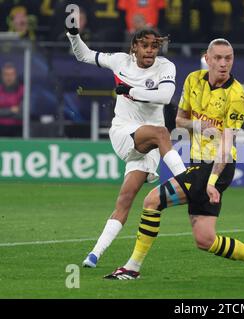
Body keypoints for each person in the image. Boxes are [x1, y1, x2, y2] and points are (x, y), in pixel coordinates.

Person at [104, 38, 244, 281]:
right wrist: (196, 124)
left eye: (229, 58)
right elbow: (180, 120)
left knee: (152, 202)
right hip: (197, 163)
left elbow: (227, 143)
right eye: (218, 58)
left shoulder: (237, 96)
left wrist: (213, 181)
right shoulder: (193, 80)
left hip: (216, 168)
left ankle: (132, 267)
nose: (224, 63)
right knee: (205, 240)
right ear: (207, 58)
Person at [65, 18, 187, 268]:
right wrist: (73, 34)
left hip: (148, 145)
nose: (150, 51)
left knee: (125, 200)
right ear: (134, 48)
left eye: (154, 46)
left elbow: (164, 97)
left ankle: (94, 254)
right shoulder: (120, 61)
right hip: (124, 131)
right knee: (163, 132)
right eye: (145, 46)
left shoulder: (166, 66)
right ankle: (188, 182)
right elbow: (84, 55)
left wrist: (130, 91)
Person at [0, 62, 23, 137]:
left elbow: (21, 113)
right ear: (2, 76)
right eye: (6, 74)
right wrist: (11, 110)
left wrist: (3, 111)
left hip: (17, 128)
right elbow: (16, 111)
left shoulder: (22, 90)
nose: (9, 77)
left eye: (11, 74)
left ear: (15, 75)